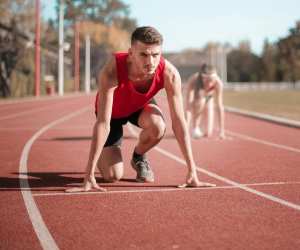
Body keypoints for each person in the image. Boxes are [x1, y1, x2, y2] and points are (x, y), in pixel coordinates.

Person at [66, 26, 215, 192]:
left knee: (158, 126)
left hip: (139, 107)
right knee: (112, 176)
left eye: (155, 55)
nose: (150, 61)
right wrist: (88, 175)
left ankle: (138, 156)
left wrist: (192, 171)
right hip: (113, 114)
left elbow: (179, 122)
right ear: (131, 53)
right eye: (143, 54)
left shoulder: (170, 74)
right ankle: (102, 159)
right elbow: (103, 123)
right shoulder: (112, 70)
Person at [185, 64, 225, 139]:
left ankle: (200, 128)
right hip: (196, 98)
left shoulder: (218, 84)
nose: (209, 84)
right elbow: (188, 106)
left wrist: (221, 131)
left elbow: (220, 106)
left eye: (212, 80)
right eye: (207, 80)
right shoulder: (193, 80)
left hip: (209, 97)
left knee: (208, 133)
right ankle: (195, 127)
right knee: (200, 102)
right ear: (202, 78)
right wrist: (185, 129)